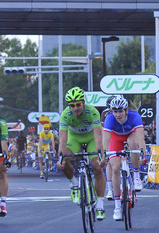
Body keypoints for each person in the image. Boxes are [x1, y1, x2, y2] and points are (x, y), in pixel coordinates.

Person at [57, 86, 106, 221]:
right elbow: (62, 139)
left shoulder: (92, 111)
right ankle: (74, 183)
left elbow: (98, 137)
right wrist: (60, 158)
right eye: (72, 105)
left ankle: (100, 206)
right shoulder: (65, 114)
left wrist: (101, 155)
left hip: (91, 138)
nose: (75, 108)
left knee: (97, 168)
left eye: (78, 104)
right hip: (75, 139)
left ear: (83, 102)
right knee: (64, 159)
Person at [102, 95, 146, 222]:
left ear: (126, 110)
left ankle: (137, 178)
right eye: (115, 111)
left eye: (120, 111)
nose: (118, 114)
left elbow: (140, 138)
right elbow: (106, 139)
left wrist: (142, 152)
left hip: (131, 135)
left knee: (133, 144)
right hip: (116, 138)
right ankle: (117, 206)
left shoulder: (135, 116)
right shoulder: (110, 119)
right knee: (115, 168)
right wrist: (104, 154)